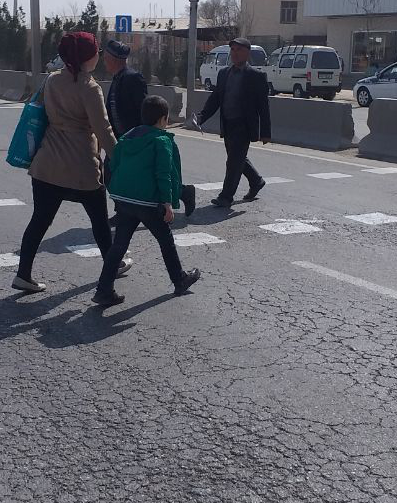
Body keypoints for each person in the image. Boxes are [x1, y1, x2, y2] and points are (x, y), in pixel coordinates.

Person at [13, 31, 130, 293]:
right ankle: (113, 264)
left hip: (47, 164)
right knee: (99, 220)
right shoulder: (90, 87)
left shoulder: (52, 80)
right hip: (81, 166)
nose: (98, 56)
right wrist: (120, 158)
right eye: (96, 52)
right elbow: (103, 129)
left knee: (39, 221)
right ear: (87, 57)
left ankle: (23, 274)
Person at [94, 95, 201, 306]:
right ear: (163, 119)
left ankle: (103, 289)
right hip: (149, 203)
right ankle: (179, 279)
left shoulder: (127, 137)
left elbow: (114, 164)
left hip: (125, 200)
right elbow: (164, 174)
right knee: (166, 241)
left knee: (119, 246)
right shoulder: (161, 141)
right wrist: (167, 203)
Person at [103, 38, 196, 221]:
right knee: (112, 174)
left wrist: (145, 136)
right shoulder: (117, 78)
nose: (104, 61)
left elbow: (144, 109)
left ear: (114, 59)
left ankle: (183, 192)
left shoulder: (132, 78)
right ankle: (123, 210)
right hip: (121, 139)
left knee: (147, 175)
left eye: (106, 58)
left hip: (136, 139)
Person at [196, 35, 271, 208]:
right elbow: (215, 99)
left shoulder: (256, 76)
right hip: (228, 123)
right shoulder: (223, 74)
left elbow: (263, 106)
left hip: (244, 126)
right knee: (237, 158)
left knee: (233, 162)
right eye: (233, 50)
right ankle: (256, 181)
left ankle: (226, 196)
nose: (235, 53)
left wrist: (266, 132)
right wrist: (201, 117)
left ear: (247, 53)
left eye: (239, 50)